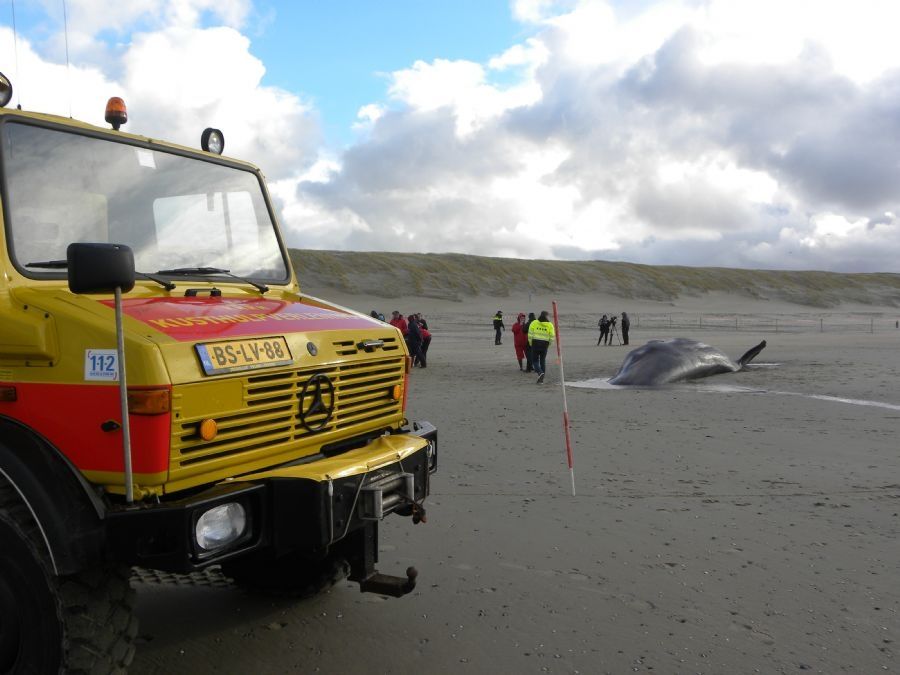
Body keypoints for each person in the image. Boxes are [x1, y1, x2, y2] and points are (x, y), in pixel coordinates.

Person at [527, 310, 555, 384]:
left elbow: (530, 334)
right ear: (546, 316)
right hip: (545, 344)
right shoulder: (550, 325)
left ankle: (540, 373)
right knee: (542, 361)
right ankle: (541, 378)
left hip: (535, 343)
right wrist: (549, 344)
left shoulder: (534, 322)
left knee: (535, 361)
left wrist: (530, 343)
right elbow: (552, 336)